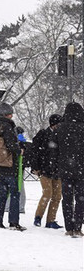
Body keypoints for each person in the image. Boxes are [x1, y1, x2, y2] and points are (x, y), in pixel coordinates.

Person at [0, 102, 26, 231]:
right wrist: (19, 150)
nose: (12, 116)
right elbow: (11, 145)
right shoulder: (7, 126)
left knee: (1, 194)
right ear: (7, 114)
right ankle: (13, 222)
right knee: (14, 193)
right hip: (9, 165)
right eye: (10, 114)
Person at [53, 102, 84, 238]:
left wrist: (56, 166)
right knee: (80, 199)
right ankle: (78, 227)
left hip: (65, 168)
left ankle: (69, 227)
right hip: (82, 169)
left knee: (67, 199)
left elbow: (54, 150)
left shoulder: (60, 129)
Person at [31, 114, 63, 229]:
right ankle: (38, 217)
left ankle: (50, 220)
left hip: (57, 170)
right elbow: (35, 151)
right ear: (54, 124)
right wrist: (35, 167)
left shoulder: (60, 135)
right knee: (47, 194)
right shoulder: (43, 134)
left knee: (57, 196)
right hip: (45, 169)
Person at [5, 126, 28, 214]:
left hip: (10, 167)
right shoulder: (21, 144)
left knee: (11, 188)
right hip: (18, 168)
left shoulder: (11, 142)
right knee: (19, 188)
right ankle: (20, 207)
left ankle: (8, 206)